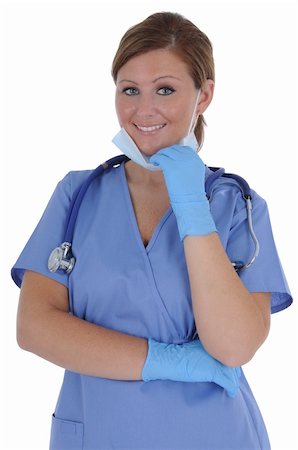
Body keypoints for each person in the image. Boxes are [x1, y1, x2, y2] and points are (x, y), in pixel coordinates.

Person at [12, 11, 292, 450]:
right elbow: (34, 328)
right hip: (97, 432)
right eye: (129, 90)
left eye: (165, 89)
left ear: (204, 96)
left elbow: (234, 346)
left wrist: (191, 206)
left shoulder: (237, 206)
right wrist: (170, 361)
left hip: (212, 435)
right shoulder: (77, 194)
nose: (143, 110)